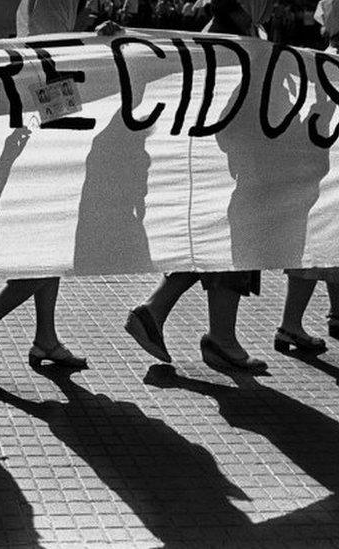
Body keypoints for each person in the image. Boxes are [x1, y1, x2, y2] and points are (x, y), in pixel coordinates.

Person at [124, 0, 272, 372]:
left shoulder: (239, 29)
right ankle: (212, 335)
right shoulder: (231, 32)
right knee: (230, 247)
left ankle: (175, 319)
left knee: (223, 246)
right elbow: (229, 100)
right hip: (231, 160)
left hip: (232, 159)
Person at [0, 0, 89, 376]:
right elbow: (47, 55)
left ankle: (46, 337)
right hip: (45, 114)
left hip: (48, 112)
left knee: (49, 246)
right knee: (50, 248)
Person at [275, 0, 339, 354]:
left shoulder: (322, 62)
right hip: (325, 170)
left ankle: (329, 315)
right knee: (319, 243)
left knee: (328, 241)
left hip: (322, 167)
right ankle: (290, 323)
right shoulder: (328, 65)